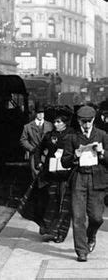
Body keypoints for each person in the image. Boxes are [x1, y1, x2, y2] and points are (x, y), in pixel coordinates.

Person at [61, 105, 108, 262]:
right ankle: (82, 250)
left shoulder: (102, 135)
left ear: (94, 120)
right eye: (83, 122)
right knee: (78, 216)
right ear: (79, 121)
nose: (87, 125)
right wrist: (75, 155)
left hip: (97, 179)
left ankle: (91, 234)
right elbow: (64, 162)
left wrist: (102, 153)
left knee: (96, 217)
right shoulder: (72, 137)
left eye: (89, 121)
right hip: (79, 178)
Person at [33, 107, 74, 242]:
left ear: (65, 123)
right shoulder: (49, 136)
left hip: (66, 176)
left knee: (64, 204)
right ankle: (47, 226)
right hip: (50, 174)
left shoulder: (73, 135)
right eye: (55, 122)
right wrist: (39, 162)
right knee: (50, 200)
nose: (55, 124)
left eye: (58, 122)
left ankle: (61, 233)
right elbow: (39, 149)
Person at [20, 105, 54, 179]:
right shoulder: (28, 126)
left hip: (47, 154)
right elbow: (23, 140)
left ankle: (44, 189)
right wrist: (31, 148)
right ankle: (37, 189)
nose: (41, 115)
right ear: (35, 114)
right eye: (38, 113)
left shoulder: (50, 125)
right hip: (34, 154)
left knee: (48, 175)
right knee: (36, 175)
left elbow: (53, 137)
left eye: (42, 113)